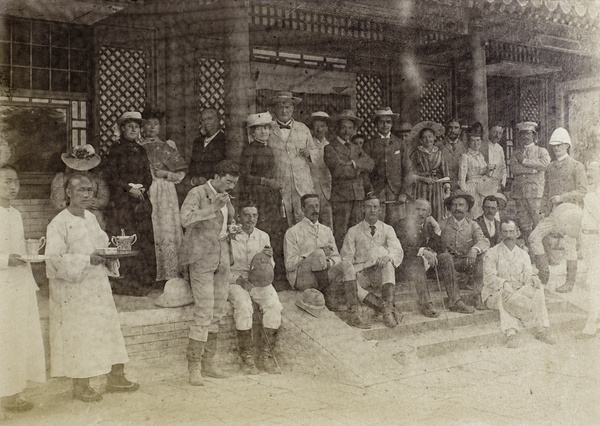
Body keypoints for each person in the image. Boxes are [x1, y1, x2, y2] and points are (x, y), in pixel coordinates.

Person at [46, 174, 139, 402]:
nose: (88, 194)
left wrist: (108, 256)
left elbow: (102, 244)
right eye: (81, 190)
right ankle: (81, 385)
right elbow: (54, 259)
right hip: (74, 291)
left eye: (90, 190)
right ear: (68, 193)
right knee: (81, 336)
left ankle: (116, 377)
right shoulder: (58, 223)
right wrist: (86, 260)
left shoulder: (91, 218)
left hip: (97, 285)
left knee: (108, 329)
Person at [180, 160, 239, 386]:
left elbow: (224, 224)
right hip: (201, 256)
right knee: (204, 310)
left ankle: (209, 363)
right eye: (228, 181)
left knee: (217, 310)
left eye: (234, 183)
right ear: (216, 175)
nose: (231, 186)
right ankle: (194, 368)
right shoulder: (198, 192)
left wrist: (232, 228)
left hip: (223, 255)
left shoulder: (226, 195)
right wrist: (213, 207)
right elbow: (185, 219)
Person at [283, 194, 370, 329]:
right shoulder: (292, 232)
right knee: (318, 253)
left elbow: (337, 257)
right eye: (310, 206)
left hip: (323, 276)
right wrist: (313, 253)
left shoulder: (326, 230)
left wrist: (328, 262)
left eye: (317, 206)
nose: (315, 210)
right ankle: (327, 293)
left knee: (346, 264)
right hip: (302, 278)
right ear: (302, 208)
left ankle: (353, 313)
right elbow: (289, 264)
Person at [0, 165, 45, 417]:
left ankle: (12, 392)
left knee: (16, 339)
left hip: (19, 283)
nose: (13, 186)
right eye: (7, 181)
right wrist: (6, 260)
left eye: (16, 181)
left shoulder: (15, 213)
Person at [102, 111, 156, 295]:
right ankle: (126, 283)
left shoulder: (141, 150)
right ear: (123, 128)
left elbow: (148, 175)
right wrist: (128, 189)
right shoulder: (115, 150)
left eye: (137, 126)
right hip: (122, 202)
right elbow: (111, 176)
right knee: (126, 239)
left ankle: (143, 282)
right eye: (130, 126)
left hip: (140, 201)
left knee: (143, 239)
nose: (134, 129)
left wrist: (142, 189)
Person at [529, 127, 587, 292]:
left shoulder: (577, 166)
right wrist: (542, 210)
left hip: (570, 213)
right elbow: (546, 191)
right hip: (553, 213)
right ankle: (544, 273)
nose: (556, 149)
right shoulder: (550, 167)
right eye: (554, 146)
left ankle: (570, 282)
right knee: (534, 237)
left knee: (569, 245)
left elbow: (582, 191)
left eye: (560, 145)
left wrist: (563, 197)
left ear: (567, 146)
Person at [228, 202, 283, 374]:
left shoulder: (263, 236)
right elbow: (222, 268)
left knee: (274, 306)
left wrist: (269, 260)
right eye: (246, 215)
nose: (251, 219)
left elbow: (269, 267)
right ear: (239, 217)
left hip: (258, 280)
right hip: (235, 279)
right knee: (244, 307)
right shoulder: (230, 236)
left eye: (254, 215)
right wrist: (238, 280)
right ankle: (247, 358)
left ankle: (266, 356)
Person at [483, 220, 556, 348]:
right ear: (500, 234)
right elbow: (488, 278)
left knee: (538, 288)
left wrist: (533, 277)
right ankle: (511, 333)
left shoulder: (523, 254)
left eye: (512, 231)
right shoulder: (492, 253)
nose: (508, 235)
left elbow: (528, 272)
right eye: (505, 232)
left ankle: (542, 329)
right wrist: (504, 283)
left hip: (517, 291)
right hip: (494, 294)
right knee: (505, 295)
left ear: (518, 233)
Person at [139, 108, 188, 283]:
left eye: (156, 124)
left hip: (166, 191)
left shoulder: (169, 146)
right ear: (142, 126)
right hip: (148, 189)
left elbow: (180, 175)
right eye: (148, 124)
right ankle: (153, 273)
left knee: (167, 227)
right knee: (151, 226)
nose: (152, 127)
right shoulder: (139, 147)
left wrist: (165, 174)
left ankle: (171, 273)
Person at [340, 195, 404, 327]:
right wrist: (358, 268)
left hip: (379, 274)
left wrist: (388, 257)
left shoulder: (387, 229)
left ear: (380, 210)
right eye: (369, 207)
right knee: (350, 278)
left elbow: (397, 250)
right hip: (362, 274)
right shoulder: (353, 231)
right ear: (363, 209)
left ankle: (387, 310)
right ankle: (387, 309)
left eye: (375, 207)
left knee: (389, 263)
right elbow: (346, 258)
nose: (372, 210)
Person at [239, 112, 286, 279]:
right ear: (252, 132)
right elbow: (244, 176)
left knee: (273, 232)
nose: (264, 132)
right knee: (262, 230)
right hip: (256, 195)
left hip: (270, 196)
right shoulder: (249, 150)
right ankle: (259, 273)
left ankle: (271, 274)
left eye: (266, 128)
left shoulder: (268, 149)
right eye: (259, 129)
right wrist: (267, 182)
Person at [324, 110, 375, 248]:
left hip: (358, 196)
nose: (347, 131)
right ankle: (341, 264)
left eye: (350, 128)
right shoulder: (330, 148)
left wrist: (352, 164)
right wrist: (359, 167)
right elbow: (339, 171)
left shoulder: (355, 147)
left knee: (357, 232)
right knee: (341, 233)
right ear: (337, 128)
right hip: (341, 197)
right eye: (344, 127)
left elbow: (370, 163)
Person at [436, 192, 490, 313]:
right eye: (454, 205)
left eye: (461, 205)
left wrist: (474, 249)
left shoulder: (473, 225)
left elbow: (484, 241)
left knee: (481, 255)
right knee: (445, 257)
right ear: (450, 208)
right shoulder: (442, 224)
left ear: (467, 208)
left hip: (465, 263)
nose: (457, 208)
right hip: (446, 266)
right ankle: (455, 301)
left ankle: (478, 295)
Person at [268, 91, 315, 226]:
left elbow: (317, 153)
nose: (284, 111)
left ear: (293, 109)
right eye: (280, 107)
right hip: (280, 183)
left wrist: (310, 153)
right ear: (274, 109)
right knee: (284, 220)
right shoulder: (268, 129)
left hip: (302, 184)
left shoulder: (303, 128)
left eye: (287, 107)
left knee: (303, 218)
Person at [363, 107, 413, 224]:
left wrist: (403, 193)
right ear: (376, 124)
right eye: (381, 122)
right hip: (376, 192)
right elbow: (364, 171)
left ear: (392, 124)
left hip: (396, 193)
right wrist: (369, 191)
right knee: (376, 223)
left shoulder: (399, 144)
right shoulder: (369, 144)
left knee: (397, 225)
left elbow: (408, 170)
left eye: (388, 122)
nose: (385, 125)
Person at [393, 198, 441, 318]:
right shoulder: (401, 224)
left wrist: (437, 229)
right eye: (417, 209)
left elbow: (438, 247)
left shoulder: (428, 226)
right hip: (405, 267)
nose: (420, 213)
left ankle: (455, 300)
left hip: (424, 266)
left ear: (429, 213)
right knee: (417, 260)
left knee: (445, 257)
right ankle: (426, 304)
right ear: (411, 211)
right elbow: (403, 249)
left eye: (424, 210)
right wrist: (423, 251)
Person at [509, 121, 551, 242]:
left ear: (534, 135)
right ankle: (530, 253)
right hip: (519, 193)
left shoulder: (541, 151)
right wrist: (533, 170)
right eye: (522, 134)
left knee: (540, 223)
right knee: (524, 224)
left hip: (535, 193)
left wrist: (524, 161)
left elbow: (544, 164)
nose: (525, 136)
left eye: (528, 133)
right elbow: (514, 169)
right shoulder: (516, 153)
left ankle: (545, 255)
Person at [51, 144, 109, 229]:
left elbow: (104, 201)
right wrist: (74, 204)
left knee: (97, 218)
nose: (81, 168)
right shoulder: (62, 178)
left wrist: (89, 202)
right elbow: (58, 204)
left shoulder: (97, 179)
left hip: (94, 216)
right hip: (69, 215)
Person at [576, 162, 600, 338]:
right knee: (593, 281)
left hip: (596, 240)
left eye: (592, 170)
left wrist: (589, 199)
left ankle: (591, 324)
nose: (589, 173)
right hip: (588, 240)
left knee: (593, 282)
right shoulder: (592, 192)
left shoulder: (593, 196)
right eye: (588, 169)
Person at [409, 122, 450, 221]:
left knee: (436, 213)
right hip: (420, 187)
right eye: (424, 137)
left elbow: (445, 173)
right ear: (420, 140)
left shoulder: (439, 153)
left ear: (435, 137)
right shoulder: (416, 154)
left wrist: (447, 190)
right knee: (421, 211)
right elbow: (409, 173)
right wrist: (423, 178)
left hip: (436, 188)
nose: (428, 140)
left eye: (430, 136)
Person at [458, 123, 494, 220]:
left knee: (484, 212)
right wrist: (464, 189)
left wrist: (488, 170)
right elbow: (462, 175)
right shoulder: (465, 156)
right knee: (474, 213)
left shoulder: (481, 157)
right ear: (469, 142)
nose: (476, 143)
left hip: (483, 187)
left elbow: (483, 174)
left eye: (478, 140)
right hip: (472, 187)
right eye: (473, 141)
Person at [186, 108, 227, 189]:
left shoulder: (225, 141)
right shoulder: (197, 142)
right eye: (203, 120)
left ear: (219, 120)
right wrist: (194, 180)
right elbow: (192, 168)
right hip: (196, 188)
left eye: (210, 118)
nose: (206, 122)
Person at [307, 111, 333, 228]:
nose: (319, 129)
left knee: (327, 221)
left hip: (327, 190)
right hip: (310, 187)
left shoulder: (331, 146)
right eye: (316, 126)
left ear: (327, 128)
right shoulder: (307, 144)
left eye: (322, 126)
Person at [437, 118, 466, 193]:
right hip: (442, 187)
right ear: (446, 129)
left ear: (460, 131)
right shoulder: (438, 145)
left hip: (459, 187)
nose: (452, 130)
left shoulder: (465, 147)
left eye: (456, 128)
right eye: (450, 127)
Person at [485, 124, 507, 191]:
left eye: (500, 133)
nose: (497, 135)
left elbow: (503, 168)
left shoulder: (500, 148)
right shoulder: (483, 146)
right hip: (484, 183)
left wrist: (503, 183)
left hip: (497, 185)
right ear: (489, 131)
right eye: (494, 132)